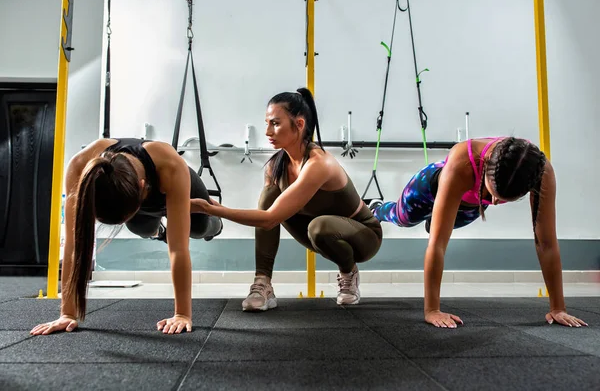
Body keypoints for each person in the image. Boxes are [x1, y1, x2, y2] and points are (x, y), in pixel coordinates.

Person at [190, 87, 383, 310]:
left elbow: (269, 219)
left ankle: (349, 273)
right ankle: (263, 283)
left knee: (319, 226)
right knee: (270, 196)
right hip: (316, 232)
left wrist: (209, 208)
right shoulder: (276, 166)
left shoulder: (319, 164)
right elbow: (268, 214)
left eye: (275, 123)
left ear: (299, 124)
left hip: (364, 236)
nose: (268, 131)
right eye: (267, 123)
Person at [368, 136, 588, 329]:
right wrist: (432, 310)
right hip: (429, 187)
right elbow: (437, 245)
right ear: (485, 169)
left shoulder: (542, 172)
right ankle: (376, 209)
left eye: (502, 200)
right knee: (403, 218)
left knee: (443, 224)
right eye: (493, 193)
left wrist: (558, 308)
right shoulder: (462, 160)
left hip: (470, 205)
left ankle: (437, 218)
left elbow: (546, 243)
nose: (494, 201)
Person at [30, 138, 223, 336]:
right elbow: (74, 246)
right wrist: (67, 314)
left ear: (141, 186)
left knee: (199, 228)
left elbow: (178, 249)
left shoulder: (169, 165)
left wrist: (182, 314)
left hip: (177, 191)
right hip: (136, 201)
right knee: (142, 229)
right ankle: (160, 231)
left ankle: (216, 222)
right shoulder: (80, 168)